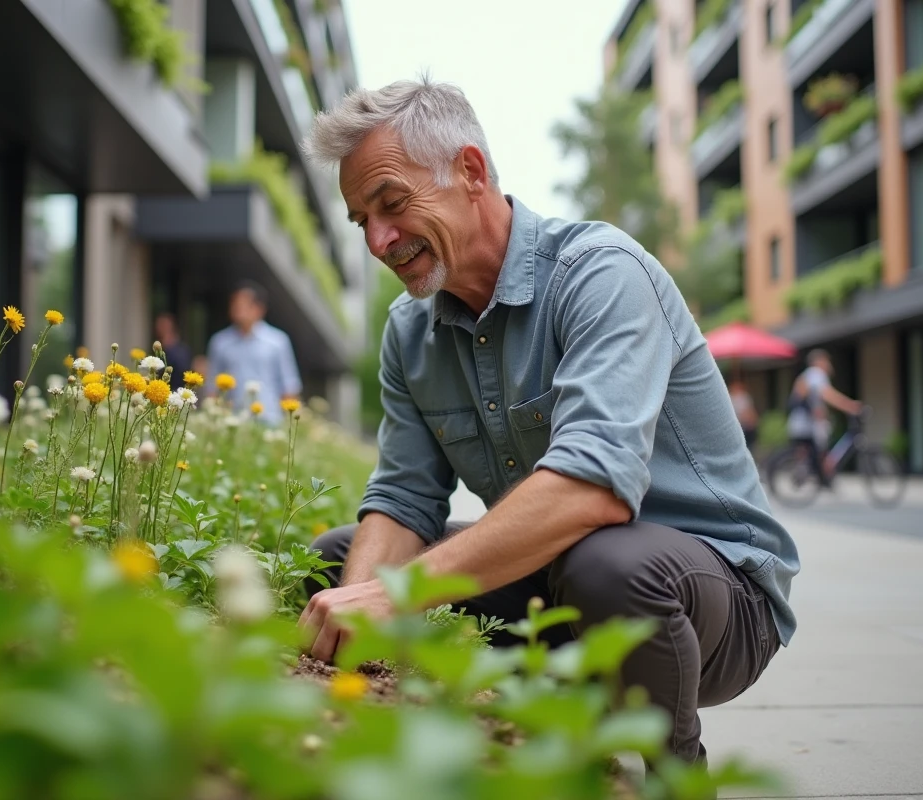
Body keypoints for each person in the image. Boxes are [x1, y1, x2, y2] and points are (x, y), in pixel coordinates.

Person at [296, 78, 799, 765]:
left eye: (392, 205)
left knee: (608, 564)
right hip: (559, 578)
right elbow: (403, 499)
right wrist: (361, 615)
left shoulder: (599, 273)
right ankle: (459, 751)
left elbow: (591, 490)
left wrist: (401, 595)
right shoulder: (409, 332)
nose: (379, 240)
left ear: (469, 171)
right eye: (362, 221)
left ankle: (669, 775)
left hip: (718, 602)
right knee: (337, 561)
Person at [206, 282, 302, 424]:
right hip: (232, 420)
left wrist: (289, 423)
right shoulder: (220, 342)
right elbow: (212, 386)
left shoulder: (278, 341)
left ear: (259, 309)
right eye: (235, 305)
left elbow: (289, 385)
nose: (238, 310)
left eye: (243, 306)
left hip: (269, 420)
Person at [785, 349, 863, 485]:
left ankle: (822, 475)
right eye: (827, 361)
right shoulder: (816, 373)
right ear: (819, 361)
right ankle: (824, 476)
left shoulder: (806, 375)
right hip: (808, 424)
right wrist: (850, 406)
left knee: (816, 449)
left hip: (799, 422)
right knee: (821, 450)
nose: (829, 365)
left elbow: (816, 400)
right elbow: (827, 394)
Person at [154, 312, 192, 383]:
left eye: (162, 325)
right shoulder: (159, 351)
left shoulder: (182, 351)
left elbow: (184, 370)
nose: (158, 329)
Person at [729, 378, 759, 452]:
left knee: (750, 446)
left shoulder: (745, 396)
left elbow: (751, 410)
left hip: (748, 426)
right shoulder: (731, 398)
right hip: (739, 426)